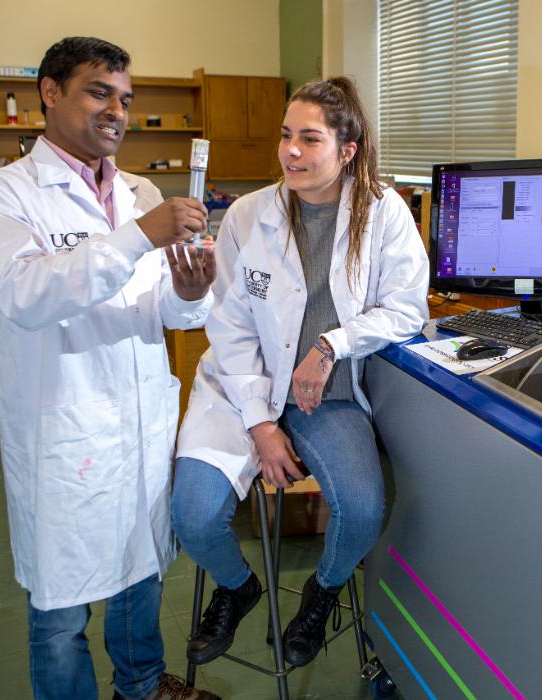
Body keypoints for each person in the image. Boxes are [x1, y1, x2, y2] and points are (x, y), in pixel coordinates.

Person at [0, 37, 219, 700]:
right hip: (65, 428)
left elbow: (169, 311)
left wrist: (190, 290)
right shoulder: (2, 196)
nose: (117, 111)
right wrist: (140, 234)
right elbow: (26, 295)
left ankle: (139, 685)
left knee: (141, 572)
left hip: (139, 419)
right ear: (50, 92)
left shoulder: (139, 190)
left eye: (126, 99)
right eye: (99, 92)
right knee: (61, 603)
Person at [172, 76, 429, 669]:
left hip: (327, 395)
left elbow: (407, 308)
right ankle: (239, 588)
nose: (290, 150)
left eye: (309, 139)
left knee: (363, 509)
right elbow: (231, 326)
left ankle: (323, 592)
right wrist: (261, 426)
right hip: (239, 388)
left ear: (348, 149)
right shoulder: (247, 215)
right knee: (192, 518)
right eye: (286, 136)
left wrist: (332, 344)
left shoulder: (384, 212)